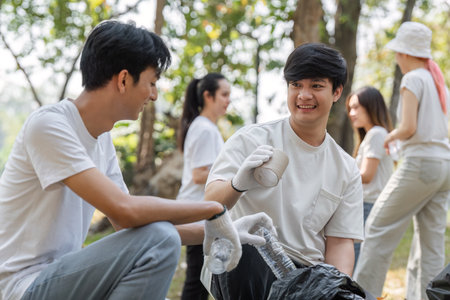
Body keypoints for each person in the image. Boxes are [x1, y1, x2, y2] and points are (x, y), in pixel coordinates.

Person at [0, 20, 273, 300]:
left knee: (159, 238)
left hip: (62, 278)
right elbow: (125, 210)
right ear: (123, 80)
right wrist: (213, 210)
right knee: (160, 238)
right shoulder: (49, 126)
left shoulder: (102, 140)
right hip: (23, 287)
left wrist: (220, 231)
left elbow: (129, 224)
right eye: (151, 83)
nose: (154, 95)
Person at [203, 43, 365, 299]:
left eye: (316, 86)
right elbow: (210, 203)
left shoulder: (345, 168)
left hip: (304, 277)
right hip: (243, 261)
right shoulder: (251, 139)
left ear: (337, 92)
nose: (304, 95)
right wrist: (237, 184)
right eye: (296, 85)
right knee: (249, 245)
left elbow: (340, 245)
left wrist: (333, 290)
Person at [354, 22, 450, 300]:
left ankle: (361, 295)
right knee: (430, 245)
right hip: (444, 166)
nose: (396, 59)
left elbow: (408, 127)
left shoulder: (413, 79)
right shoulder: (438, 82)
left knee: (376, 227)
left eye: (398, 53)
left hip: (420, 164)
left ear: (406, 53)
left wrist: (388, 138)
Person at [177, 73, 231, 300]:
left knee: (203, 280)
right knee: (198, 282)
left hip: (201, 213)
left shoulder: (206, 127)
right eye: (224, 94)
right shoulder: (205, 129)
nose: (228, 100)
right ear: (208, 96)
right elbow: (199, 175)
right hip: (197, 213)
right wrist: (237, 177)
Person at [345, 86, 394, 265]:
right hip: (366, 205)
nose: (351, 113)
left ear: (371, 106)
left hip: (369, 205)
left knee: (358, 260)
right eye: (350, 108)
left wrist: (338, 177)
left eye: (356, 107)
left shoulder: (376, 134)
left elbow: (366, 175)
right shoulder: (373, 135)